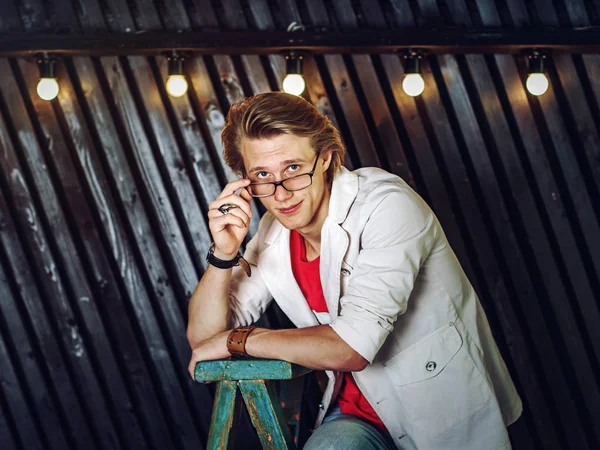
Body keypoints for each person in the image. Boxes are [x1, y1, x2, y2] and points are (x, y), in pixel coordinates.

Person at [187, 92, 522, 450]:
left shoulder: (388, 205)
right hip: (357, 416)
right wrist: (224, 254)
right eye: (263, 175)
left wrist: (239, 341)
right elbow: (203, 339)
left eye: (293, 169)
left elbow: (353, 347)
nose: (281, 193)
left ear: (326, 157)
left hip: (439, 408)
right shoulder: (272, 231)